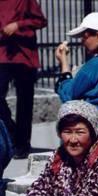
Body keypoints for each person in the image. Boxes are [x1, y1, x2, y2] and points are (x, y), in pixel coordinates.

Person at [0, 0, 47, 159]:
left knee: (24, 102)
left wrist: (18, 25)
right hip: (3, 53)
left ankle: (22, 145)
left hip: (25, 55)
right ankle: (13, 133)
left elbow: (41, 21)